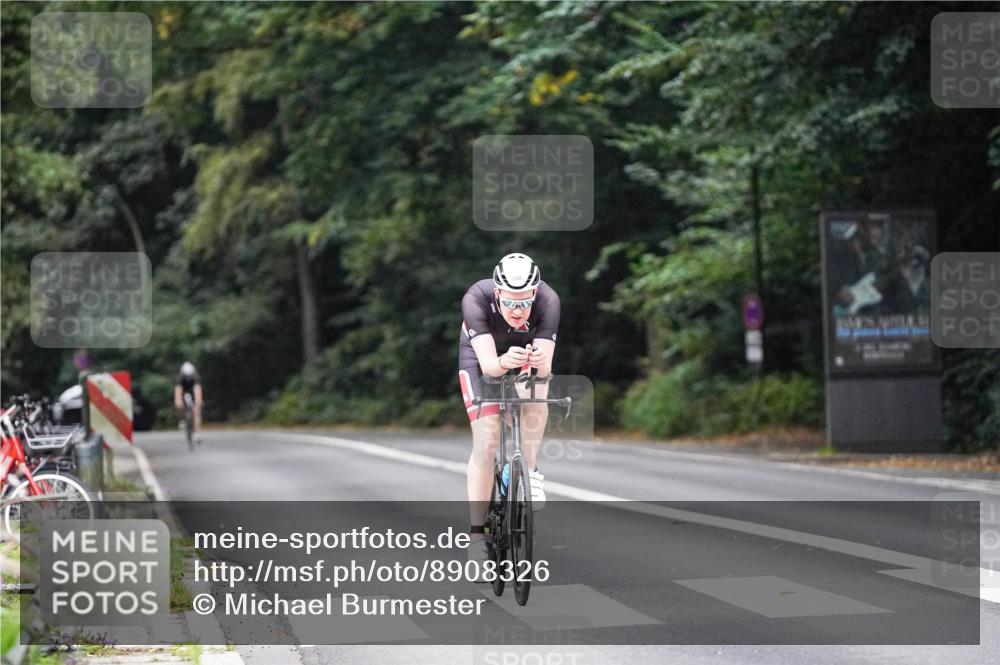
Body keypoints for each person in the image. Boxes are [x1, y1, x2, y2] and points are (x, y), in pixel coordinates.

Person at [458, 253, 560, 573]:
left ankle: (528, 470)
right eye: (511, 303)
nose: (518, 312)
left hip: (524, 356)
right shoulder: (476, 299)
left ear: (535, 294)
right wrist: (505, 363)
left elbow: (545, 368)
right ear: (498, 294)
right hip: (482, 358)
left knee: (535, 397)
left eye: (525, 303)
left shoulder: (548, 301)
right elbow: (489, 367)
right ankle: (477, 538)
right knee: (487, 442)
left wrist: (535, 366)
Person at [174, 362, 203, 443]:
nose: (188, 377)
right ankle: (182, 419)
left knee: (197, 411)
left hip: (192, 391)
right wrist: (178, 402)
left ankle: (197, 433)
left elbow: (198, 391)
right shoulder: (180, 378)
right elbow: (178, 391)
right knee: (178, 404)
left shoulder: (196, 378)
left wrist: (198, 402)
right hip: (184, 391)